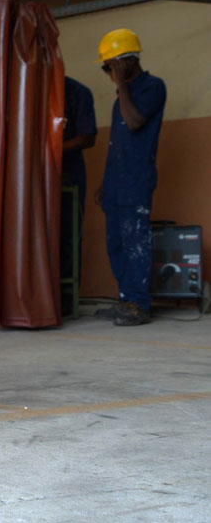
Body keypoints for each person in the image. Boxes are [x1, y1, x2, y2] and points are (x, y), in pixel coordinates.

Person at [93, 29, 166, 326]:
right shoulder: (119, 99)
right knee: (117, 244)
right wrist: (106, 182)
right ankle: (126, 299)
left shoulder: (152, 87)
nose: (108, 72)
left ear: (127, 62)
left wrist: (122, 85)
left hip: (136, 181)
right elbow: (118, 145)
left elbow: (135, 123)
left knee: (136, 242)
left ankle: (139, 304)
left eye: (110, 66)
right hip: (116, 183)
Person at [60, 76, 97, 315]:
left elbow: (87, 137)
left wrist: (48, 149)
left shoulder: (77, 92)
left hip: (68, 174)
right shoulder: (23, 89)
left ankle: (65, 301)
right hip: (31, 175)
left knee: (67, 237)